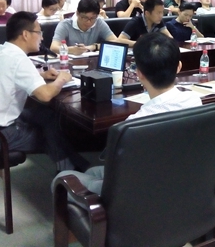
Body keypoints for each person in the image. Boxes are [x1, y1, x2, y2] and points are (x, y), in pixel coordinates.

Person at [53, 32, 201, 200]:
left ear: (139, 73)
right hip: (183, 183)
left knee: (62, 178)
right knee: (92, 171)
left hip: (138, 195)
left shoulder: (132, 125)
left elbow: (119, 167)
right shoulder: (195, 101)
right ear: (179, 67)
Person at [0, 12, 87, 172]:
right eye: (39, 32)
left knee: (47, 116)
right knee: (49, 135)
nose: (42, 37)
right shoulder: (19, 59)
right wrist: (62, 78)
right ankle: (68, 175)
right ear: (25, 34)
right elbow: (45, 95)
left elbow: (6, 75)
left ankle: (79, 165)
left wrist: (41, 75)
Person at [51, 0, 126, 55]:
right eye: (85, 18)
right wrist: (71, 50)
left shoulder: (99, 22)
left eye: (93, 18)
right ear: (77, 13)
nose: (89, 22)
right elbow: (53, 47)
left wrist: (94, 47)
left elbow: (116, 43)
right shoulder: (65, 25)